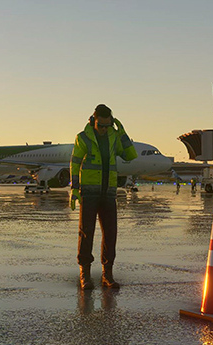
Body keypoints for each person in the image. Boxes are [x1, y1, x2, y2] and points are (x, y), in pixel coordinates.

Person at [70, 104, 138, 290]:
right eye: (101, 126)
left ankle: (107, 274)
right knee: (86, 233)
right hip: (89, 193)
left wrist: (122, 133)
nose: (104, 129)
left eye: (108, 126)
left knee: (110, 234)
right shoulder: (83, 137)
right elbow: (75, 163)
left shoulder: (114, 137)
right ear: (93, 121)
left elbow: (131, 156)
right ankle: (85, 274)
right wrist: (75, 189)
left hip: (108, 193)